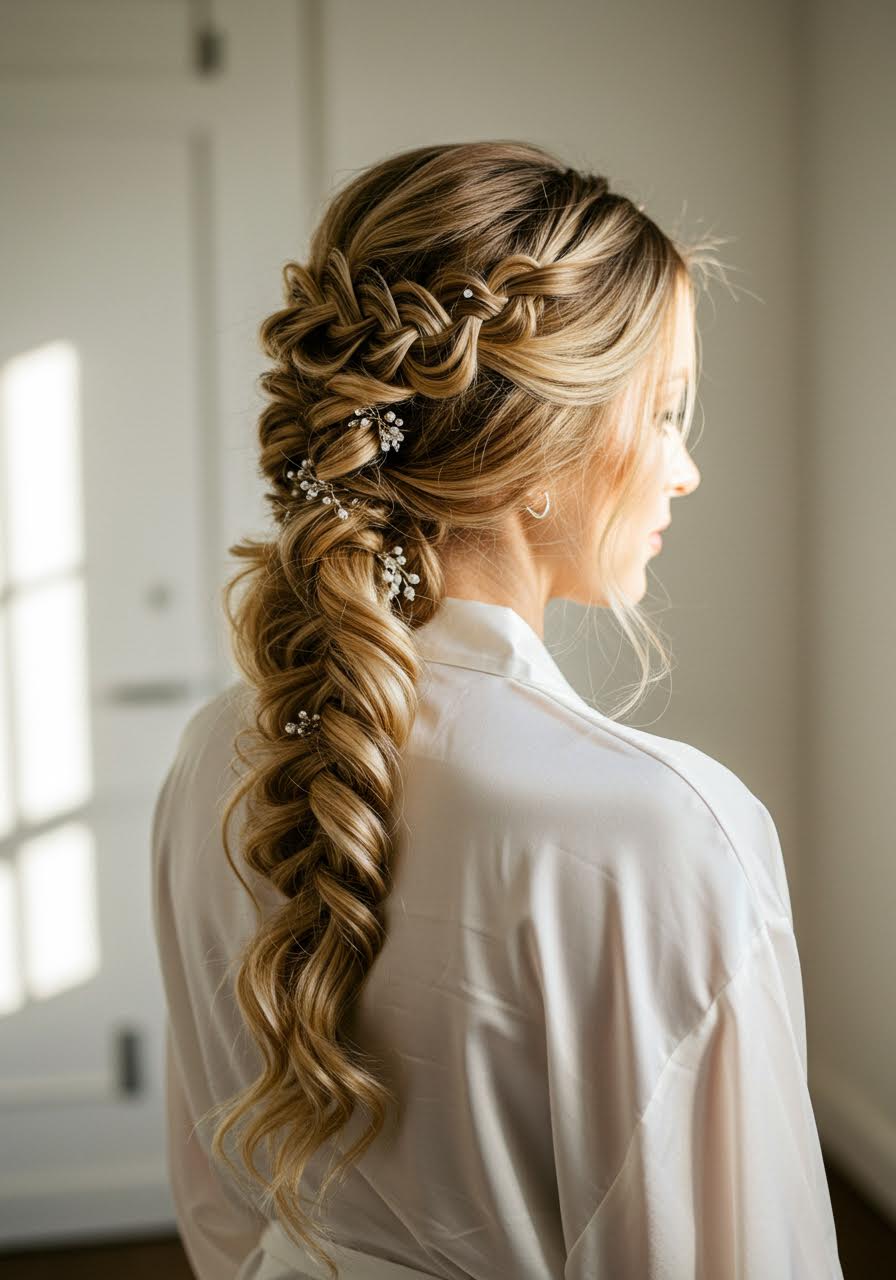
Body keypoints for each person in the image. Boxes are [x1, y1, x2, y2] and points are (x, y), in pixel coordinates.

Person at [150, 140, 844, 1279]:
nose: (683, 471)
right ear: (537, 453)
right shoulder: (662, 832)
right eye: (663, 413)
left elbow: (220, 1208)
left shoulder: (213, 753)